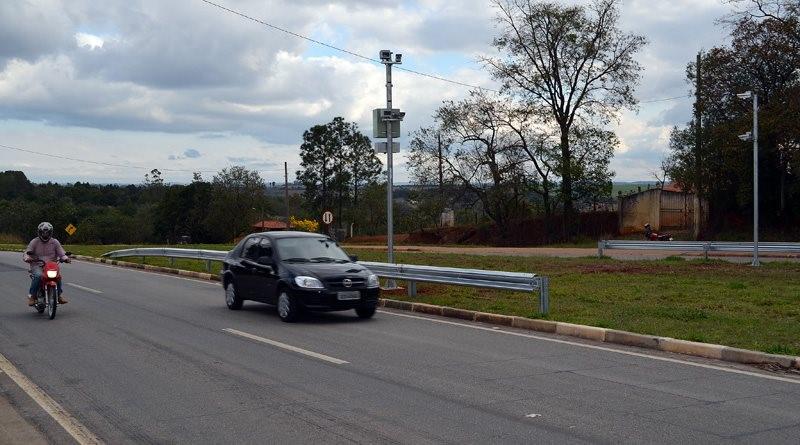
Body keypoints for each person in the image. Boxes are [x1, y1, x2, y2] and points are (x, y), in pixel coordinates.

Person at [24, 222, 70, 306]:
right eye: (43, 232)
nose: (45, 234)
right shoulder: (34, 241)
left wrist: (66, 259)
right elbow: (26, 252)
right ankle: (32, 297)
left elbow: (62, 253)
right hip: (37, 265)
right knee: (38, 276)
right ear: (39, 232)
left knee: (58, 277)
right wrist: (27, 258)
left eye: (47, 232)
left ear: (51, 232)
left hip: (51, 265)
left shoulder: (55, 242)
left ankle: (59, 296)